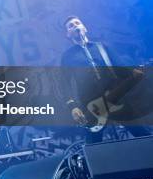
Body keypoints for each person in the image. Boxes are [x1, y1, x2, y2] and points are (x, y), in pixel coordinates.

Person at [60, 15, 150, 143]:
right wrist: (73, 106)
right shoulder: (67, 57)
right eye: (71, 26)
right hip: (91, 104)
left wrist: (136, 73)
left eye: (77, 23)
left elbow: (122, 69)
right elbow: (64, 84)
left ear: (85, 28)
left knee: (143, 134)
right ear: (68, 34)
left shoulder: (102, 47)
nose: (75, 26)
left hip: (116, 98)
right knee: (93, 145)